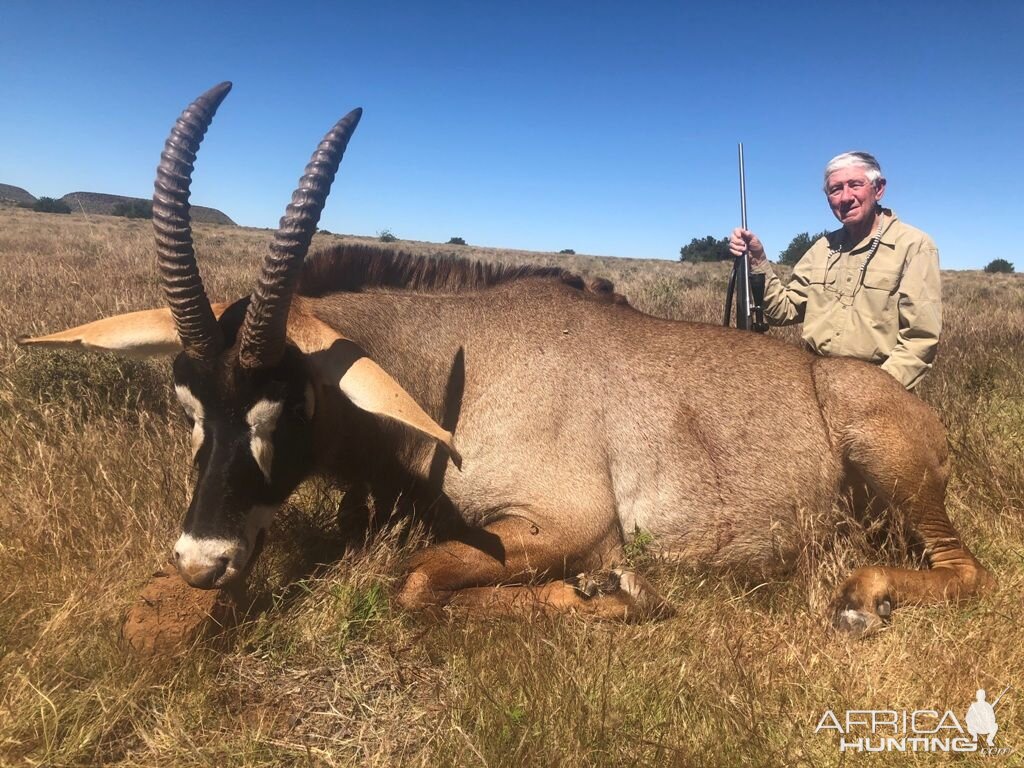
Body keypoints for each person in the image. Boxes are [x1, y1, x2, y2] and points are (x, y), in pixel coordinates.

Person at [728, 151, 941, 390]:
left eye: (855, 185)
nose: (845, 197)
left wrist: (876, 391)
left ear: (878, 189)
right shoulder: (822, 248)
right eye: (835, 189)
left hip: (877, 389)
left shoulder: (915, 246)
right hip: (815, 385)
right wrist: (758, 258)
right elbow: (782, 311)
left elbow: (919, 340)